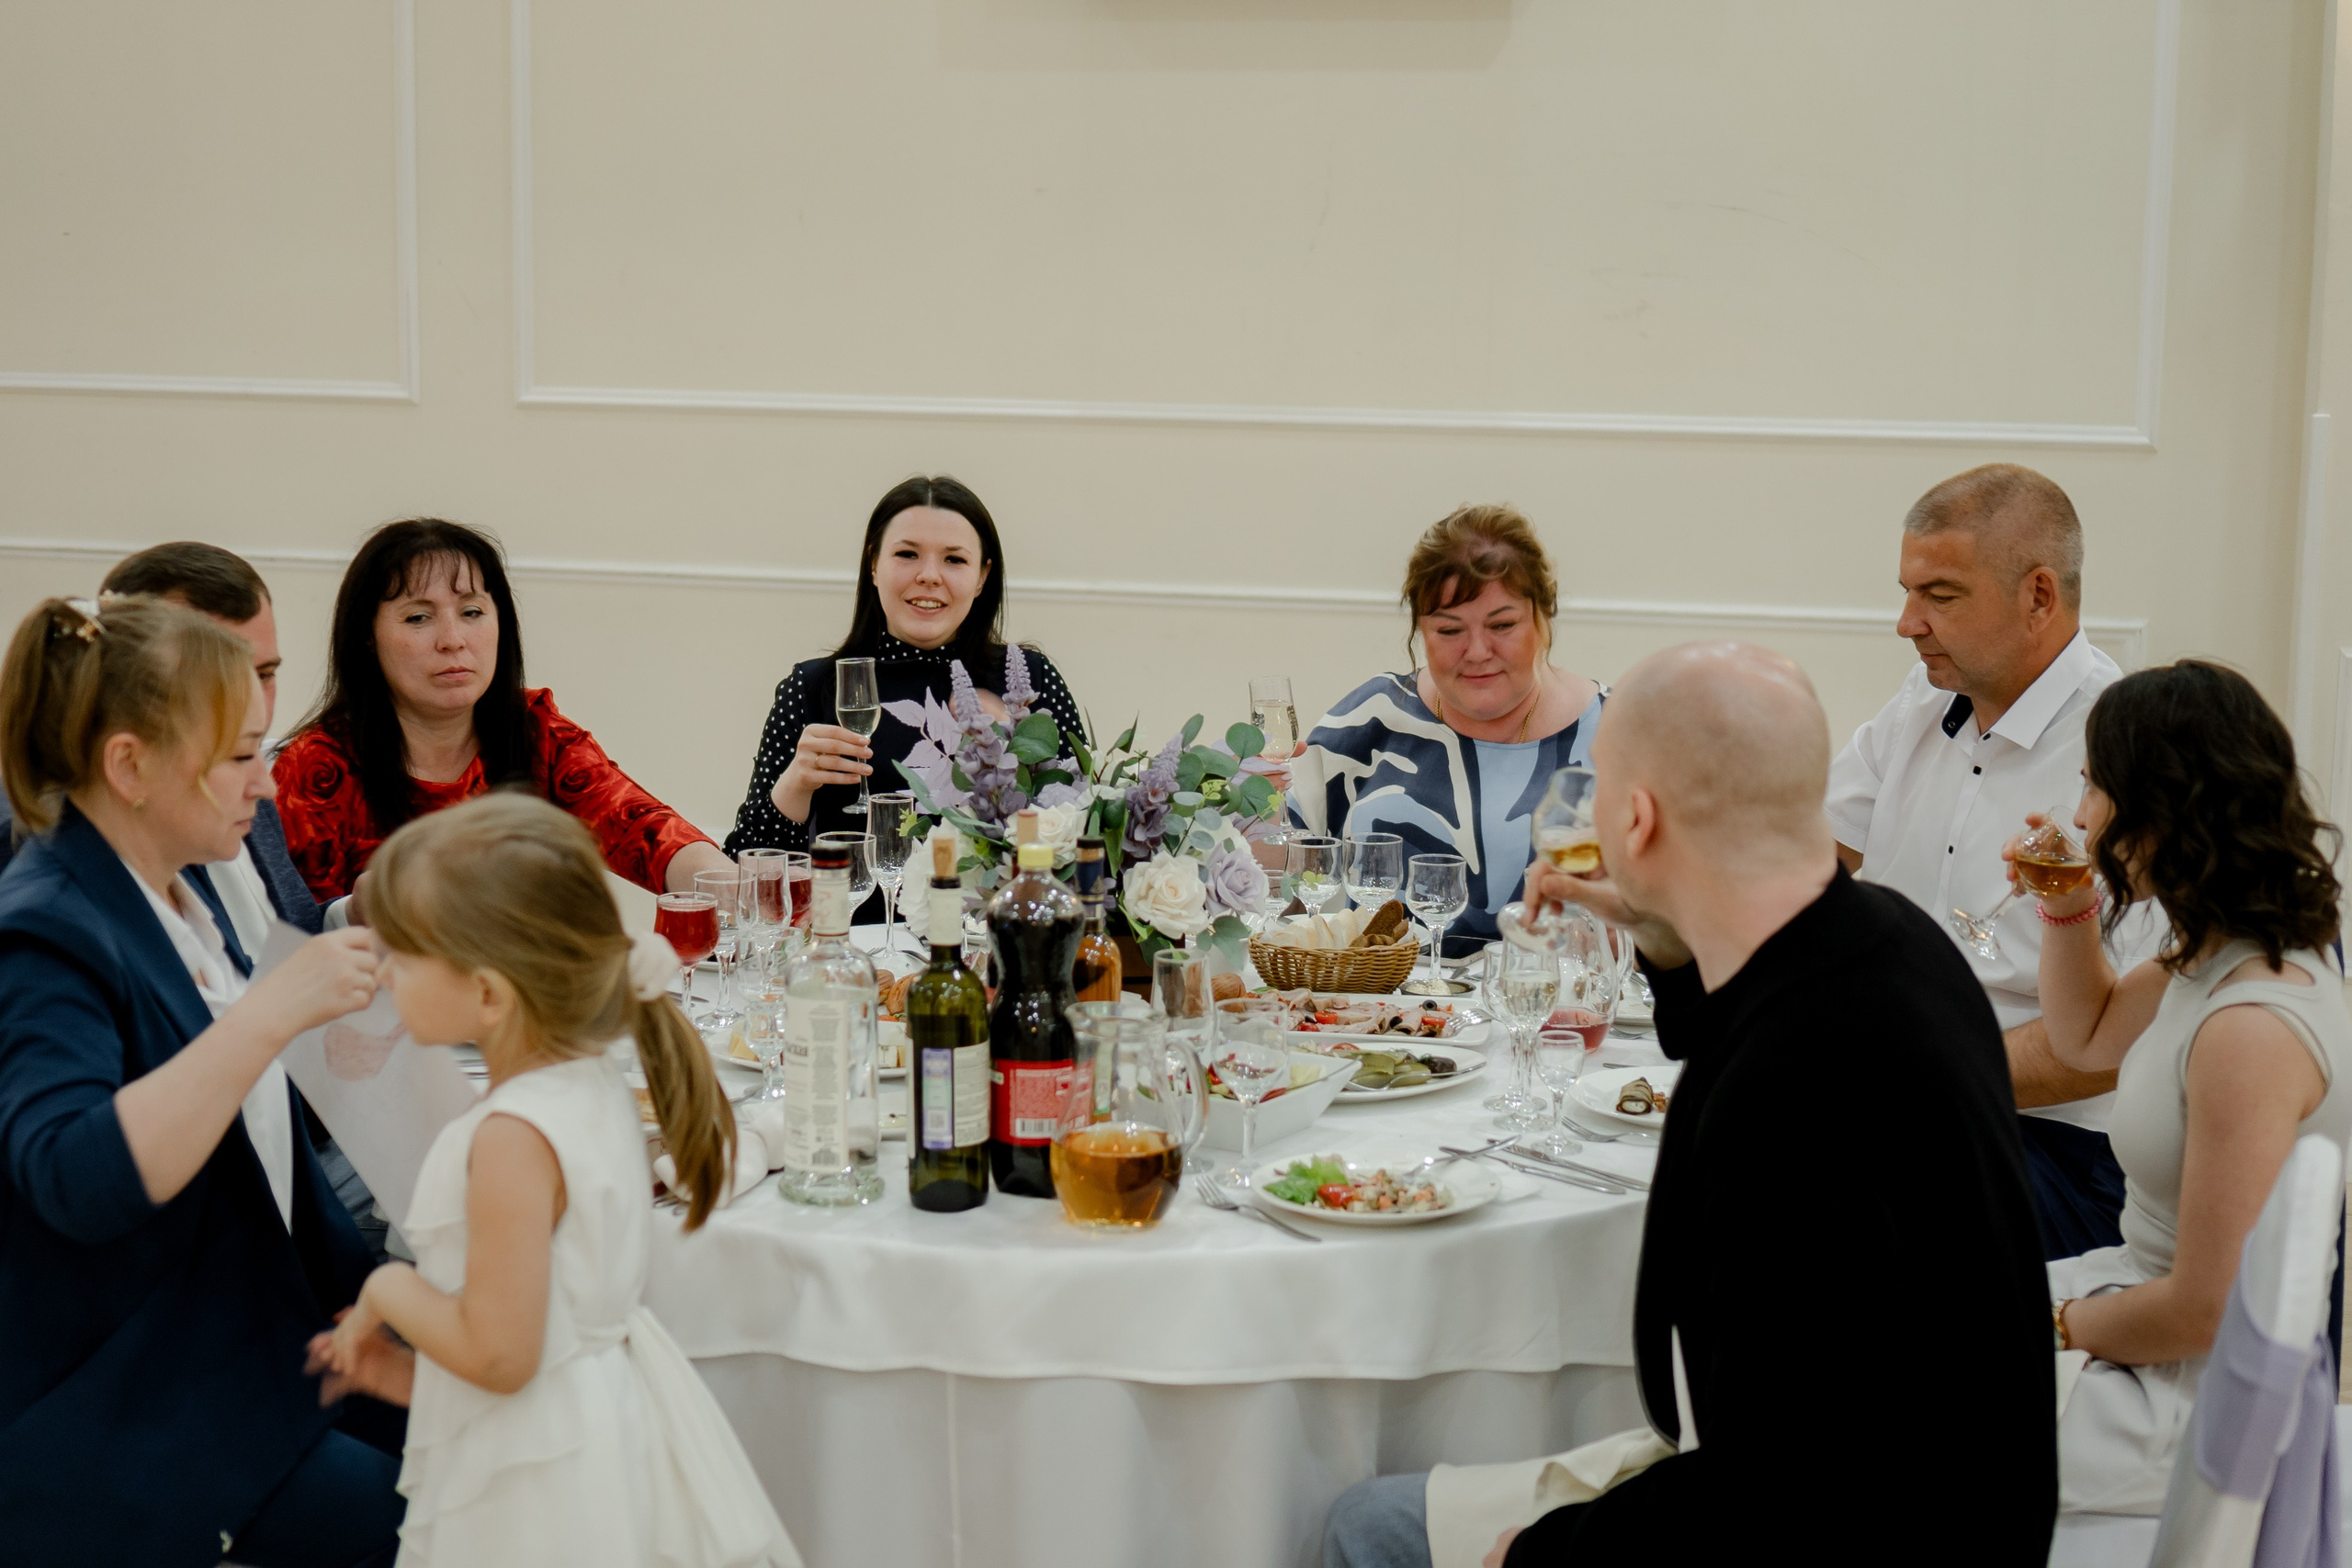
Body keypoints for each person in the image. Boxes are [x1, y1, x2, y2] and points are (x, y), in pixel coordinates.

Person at [1323, 642, 2054, 1568]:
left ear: (1633, 817)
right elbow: (1739, 1012)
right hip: (1950, 1485)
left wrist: (1539, 1554)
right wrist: (1654, 925)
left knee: (1367, 1530)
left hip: (1871, 1528)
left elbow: (1772, 1495)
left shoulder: (1795, 1091)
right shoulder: (1889, 941)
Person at [0, 594, 404, 1567]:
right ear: (129, 765)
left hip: (259, 1348)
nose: (265, 786)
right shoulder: (44, 930)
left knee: (521, 1457)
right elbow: (74, 1176)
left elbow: (267, 1174)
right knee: (467, 1527)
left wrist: (380, 1303)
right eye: (237, 757)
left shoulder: (178, 893)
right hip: (144, 1413)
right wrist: (272, 1014)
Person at [310, 793, 801, 1567]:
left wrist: (387, 1294)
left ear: (488, 993)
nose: (382, 968)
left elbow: (503, 1356)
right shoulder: (591, 1082)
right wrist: (399, 1374)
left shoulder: (510, 1138)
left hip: (549, 1506)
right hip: (589, 1434)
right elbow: (537, 1358)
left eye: (402, 951)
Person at [2029, 660, 2350, 1515]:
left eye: (2095, 786)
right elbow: (2086, 1035)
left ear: (2161, 811)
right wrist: (2066, 903)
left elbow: (2204, 1309)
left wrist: (2052, 1326)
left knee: (1848, 1420)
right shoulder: (2223, 944)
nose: (2081, 814)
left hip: (2185, 1396)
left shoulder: (2250, 1028)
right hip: (2134, 1307)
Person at [1823, 464, 2162, 1259]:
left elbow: (2121, 1042)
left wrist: (1910, 1074)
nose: (1907, 622)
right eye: (1907, 592)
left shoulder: (2130, 753)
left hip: (2061, 1150)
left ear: (2039, 595)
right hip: (1913, 1099)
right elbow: (1810, 866)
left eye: (1939, 596)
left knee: (1818, 1211)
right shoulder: (1921, 699)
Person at [272, 518, 731, 911]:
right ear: (367, 638)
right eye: (418, 618)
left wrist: (724, 882)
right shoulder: (317, 768)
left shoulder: (535, 731)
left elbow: (641, 827)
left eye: (472, 611)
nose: (453, 639)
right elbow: (302, 937)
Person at [1290, 506, 1605, 958]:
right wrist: (1253, 800)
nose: (1477, 651)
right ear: (1421, 628)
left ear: (1543, 616)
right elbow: (1285, 882)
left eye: (1502, 625)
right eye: (1449, 629)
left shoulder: (1614, 737)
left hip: (1553, 1018)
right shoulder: (1374, 716)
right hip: (1386, 1020)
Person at [724, 475, 1085, 862]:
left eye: (954, 559)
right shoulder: (812, 687)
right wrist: (795, 784)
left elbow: (1087, 829)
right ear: (874, 565)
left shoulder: (1029, 679)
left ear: (982, 577)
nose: (929, 575)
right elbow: (746, 865)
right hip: (853, 922)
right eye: (907, 554)